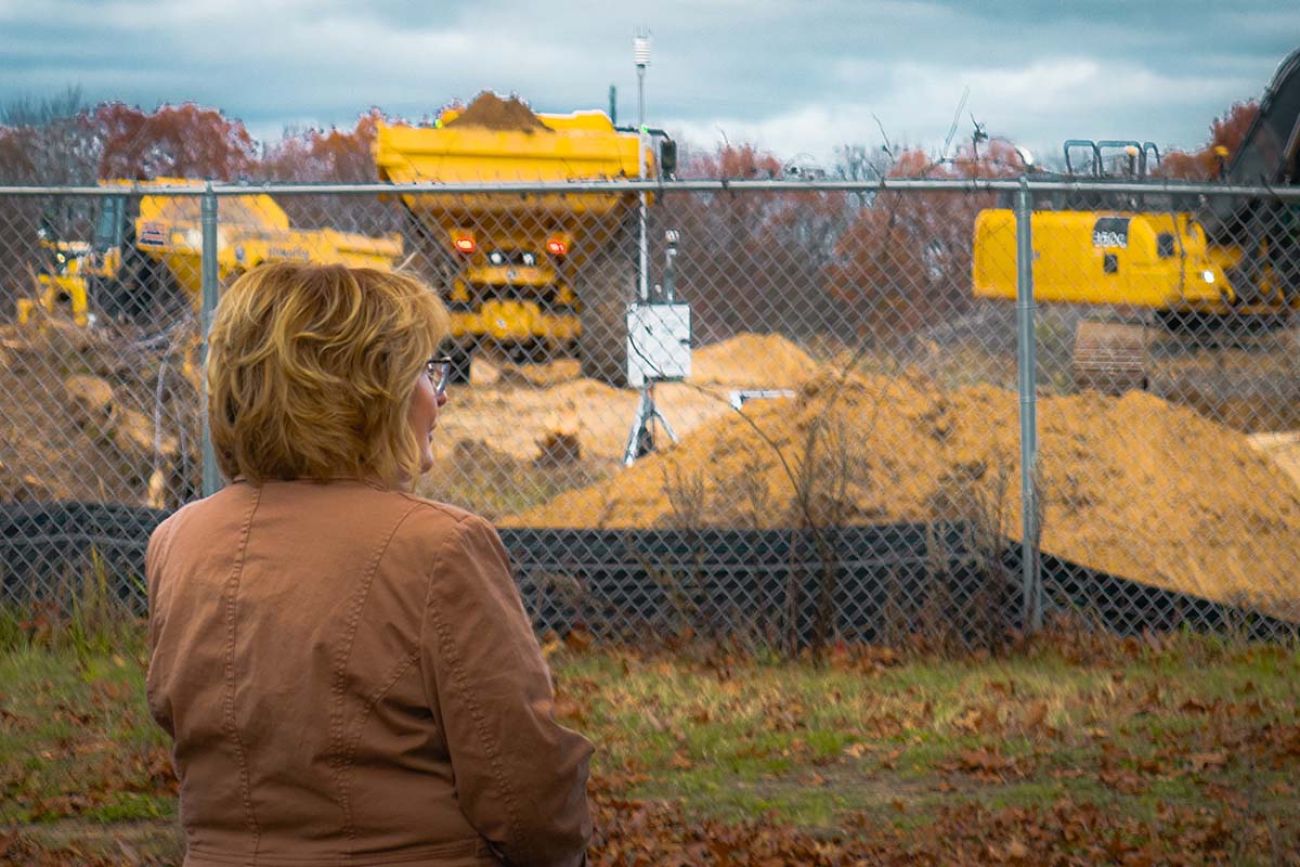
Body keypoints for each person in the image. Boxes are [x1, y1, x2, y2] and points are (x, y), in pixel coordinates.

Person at [145, 263, 592, 867]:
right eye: (426, 373)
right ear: (366, 394)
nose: (440, 395)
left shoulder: (179, 541)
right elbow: (528, 798)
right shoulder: (439, 549)